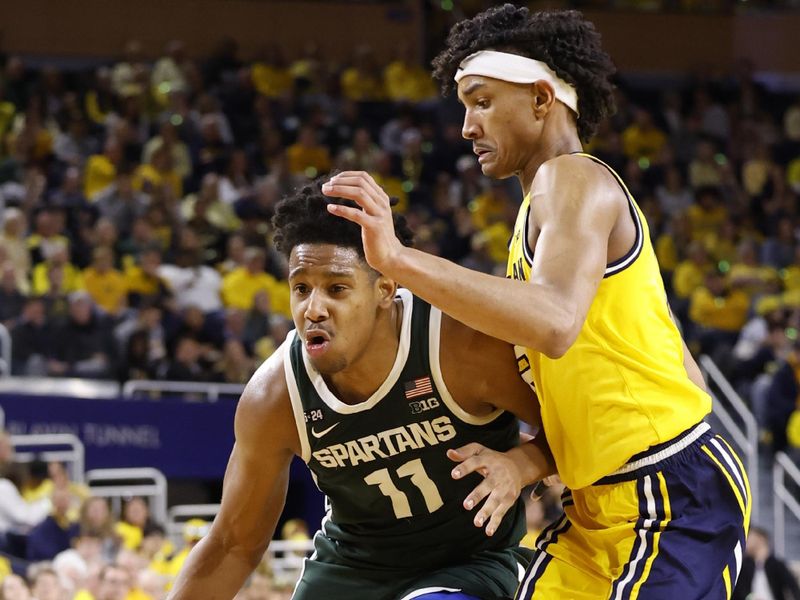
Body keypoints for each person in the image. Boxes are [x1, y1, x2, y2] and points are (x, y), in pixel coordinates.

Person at [323, 5, 750, 599]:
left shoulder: (572, 178)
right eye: (464, 106)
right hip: (600, 502)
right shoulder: (544, 214)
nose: (467, 126)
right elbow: (670, 363)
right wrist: (527, 463)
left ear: (543, 99)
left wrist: (396, 260)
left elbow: (553, 323)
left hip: (670, 494)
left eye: (482, 101)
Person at [167, 180, 555, 600]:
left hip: (471, 563)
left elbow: (588, 430)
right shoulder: (275, 396)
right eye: (301, 288)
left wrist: (523, 464)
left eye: (336, 288)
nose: (312, 309)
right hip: (352, 570)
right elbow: (232, 545)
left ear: (385, 290)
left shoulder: (459, 343)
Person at [733, 527, 800, 600]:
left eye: (750, 536)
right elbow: (739, 590)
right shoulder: (744, 566)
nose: (747, 540)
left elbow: (793, 587)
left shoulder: (777, 565)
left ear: (761, 538)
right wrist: (750, 597)